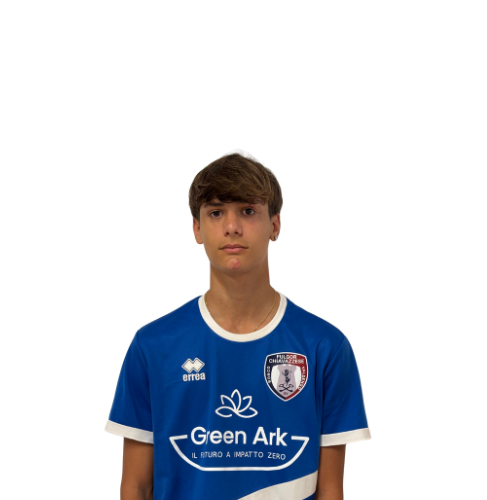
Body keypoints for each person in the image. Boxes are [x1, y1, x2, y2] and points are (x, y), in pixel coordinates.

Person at [104, 148, 372, 500]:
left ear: (275, 225)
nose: (232, 227)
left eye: (248, 211)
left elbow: (331, 490)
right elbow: (136, 486)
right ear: (197, 229)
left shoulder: (326, 346)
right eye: (216, 212)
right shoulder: (152, 345)